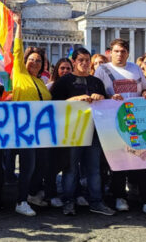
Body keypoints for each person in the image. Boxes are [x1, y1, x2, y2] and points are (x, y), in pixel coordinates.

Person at [94, 39, 146, 216]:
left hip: (137, 119)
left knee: (144, 159)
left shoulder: (135, 68)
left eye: (123, 51)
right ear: (110, 53)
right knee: (118, 160)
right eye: (116, 51)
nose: (120, 54)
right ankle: (119, 197)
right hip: (114, 119)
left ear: (128, 53)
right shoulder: (102, 70)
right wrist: (107, 96)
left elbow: (144, 90)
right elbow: (96, 92)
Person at [51, 48, 115, 217]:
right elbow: (54, 105)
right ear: (73, 62)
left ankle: (96, 202)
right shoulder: (64, 82)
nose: (85, 63)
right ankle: (68, 201)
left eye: (87, 60)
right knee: (71, 169)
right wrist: (74, 100)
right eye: (81, 60)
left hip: (94, 132)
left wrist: (102, 98)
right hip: (72, 132)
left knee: (93, 169)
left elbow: (105, 105)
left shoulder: (96, 82)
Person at [9, 13, 51, 217]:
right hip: (25, 128)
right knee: (27, 166)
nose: (34, 63)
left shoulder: (42, 83)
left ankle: (33, 195)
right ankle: (20, 200)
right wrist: (18, 26)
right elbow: (17, 50)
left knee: (41, 165)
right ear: (25, 61)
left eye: (38, 61)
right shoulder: (19, 74)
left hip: (41, 130)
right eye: (31, 59)